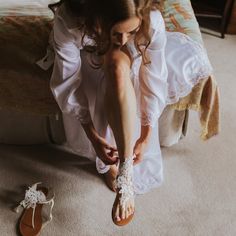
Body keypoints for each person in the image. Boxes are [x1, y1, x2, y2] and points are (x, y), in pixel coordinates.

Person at [47, 0, 212, 226]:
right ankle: (120, 170)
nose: (123, 40)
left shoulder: (150, 20)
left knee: (117, 66)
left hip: (130, 52)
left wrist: (146, 134)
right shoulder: (71, 20)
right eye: (117, 33)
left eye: (131, 31)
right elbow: (67, 82)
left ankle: (125, 174)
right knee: (111, 64)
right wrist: (93, 136)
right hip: (90, 47)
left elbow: (153, 79)